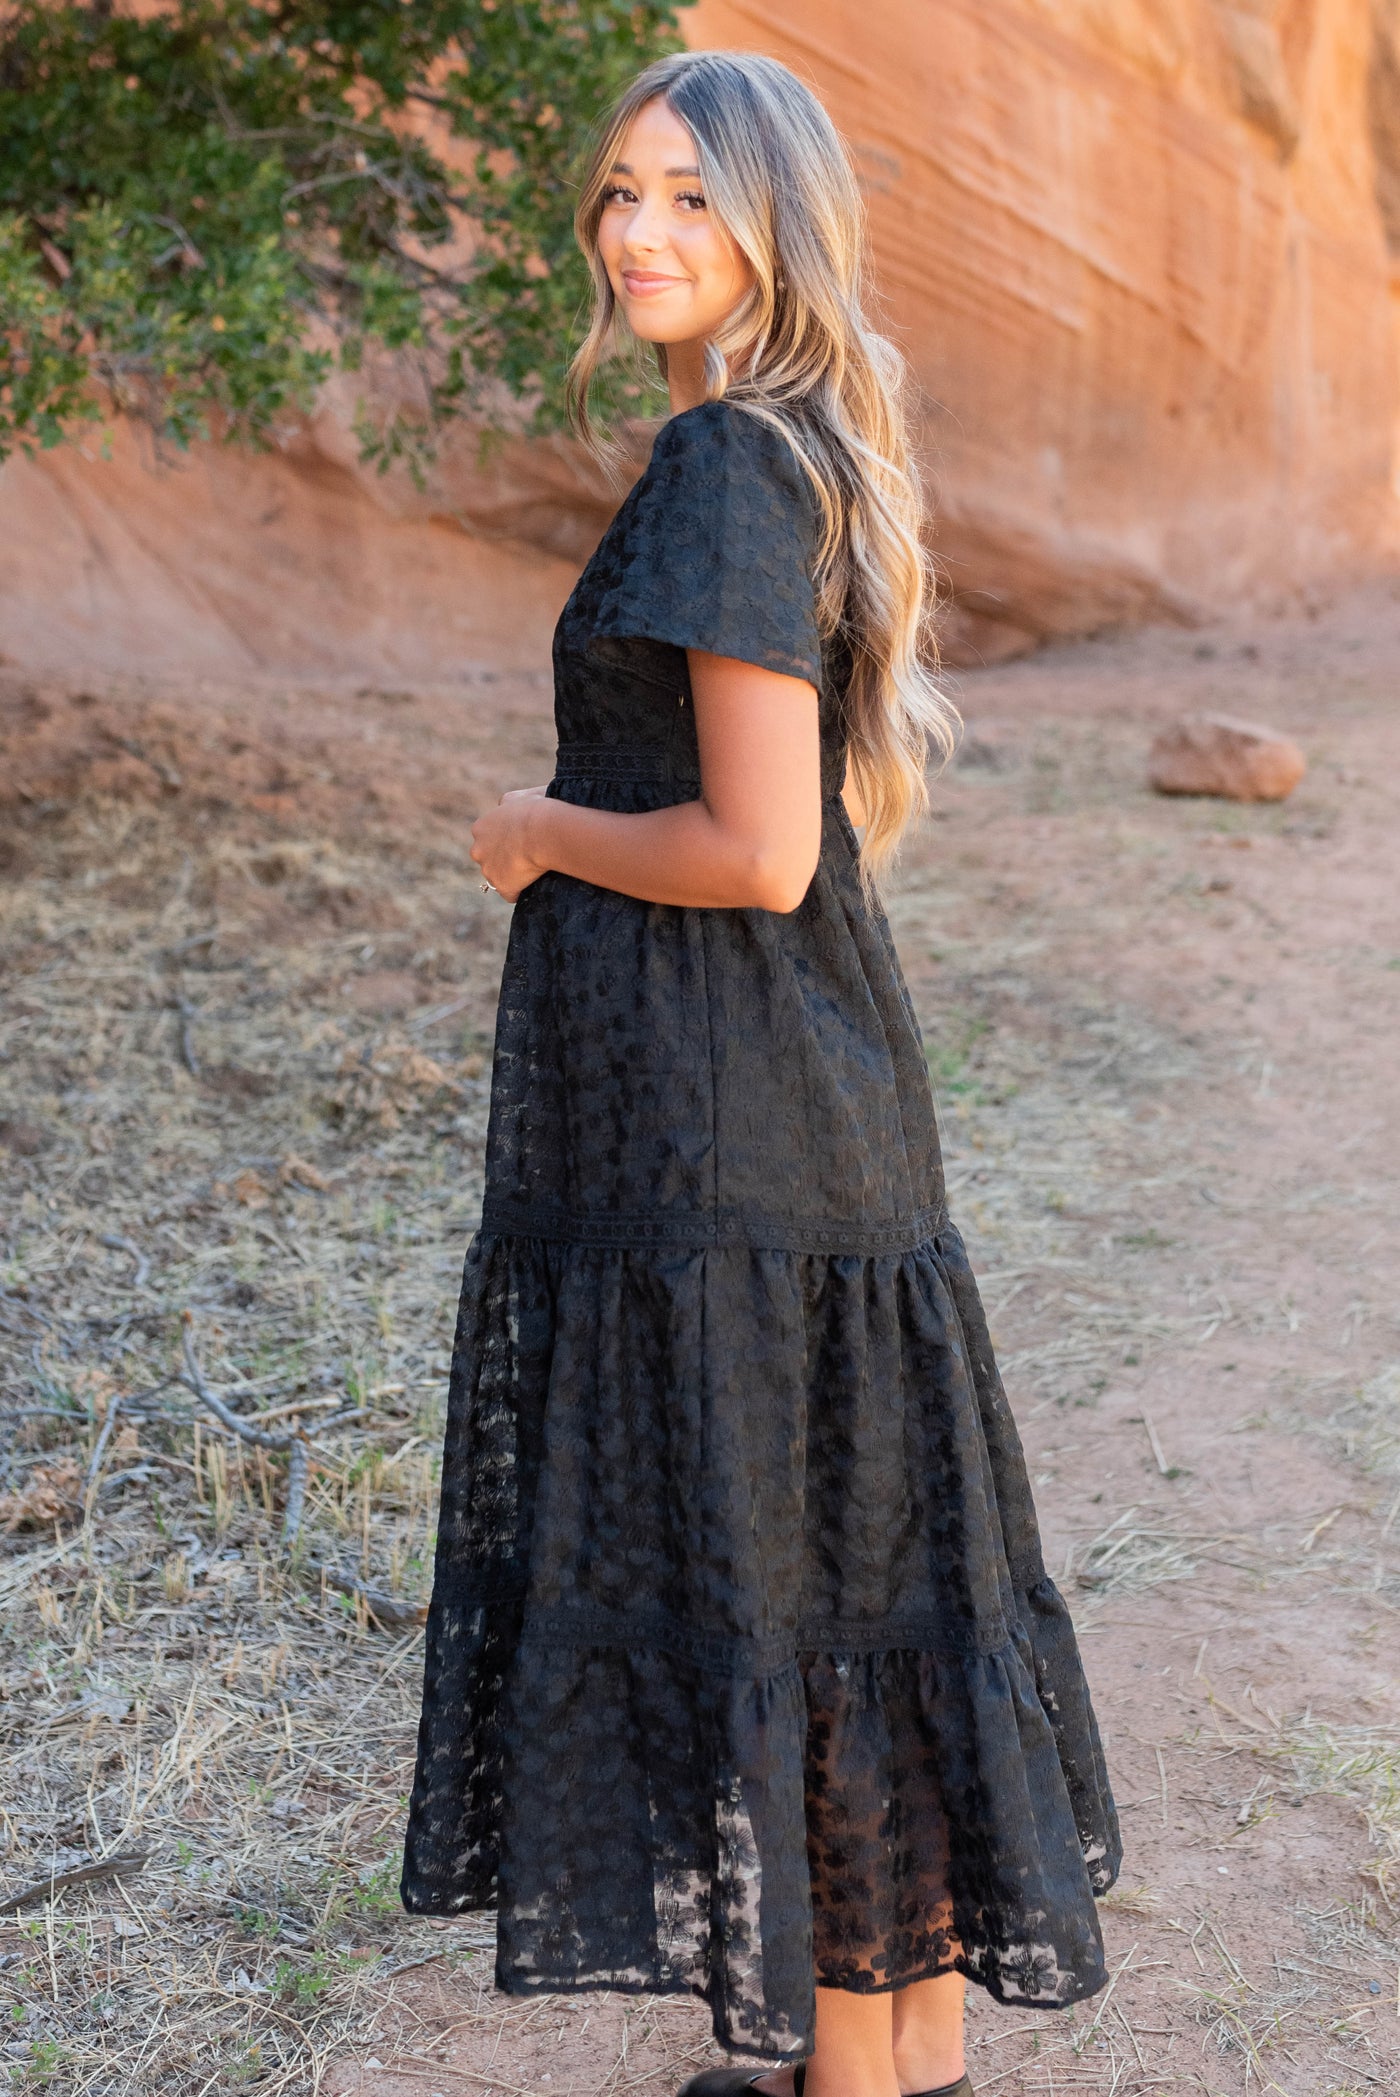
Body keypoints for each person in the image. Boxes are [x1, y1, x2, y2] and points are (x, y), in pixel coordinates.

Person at [401, 48, 1120, 2097]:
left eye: (690, 198)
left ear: (775, 226)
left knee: (789, 1601)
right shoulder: (777, 438)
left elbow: (757, 850)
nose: (638, 231)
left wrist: (539, 829)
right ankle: (894, 2062)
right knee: (857, 1592)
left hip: (728, 1113)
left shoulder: (728, 466)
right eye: (620, 188)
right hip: (802, 1099)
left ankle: (851, 2082)